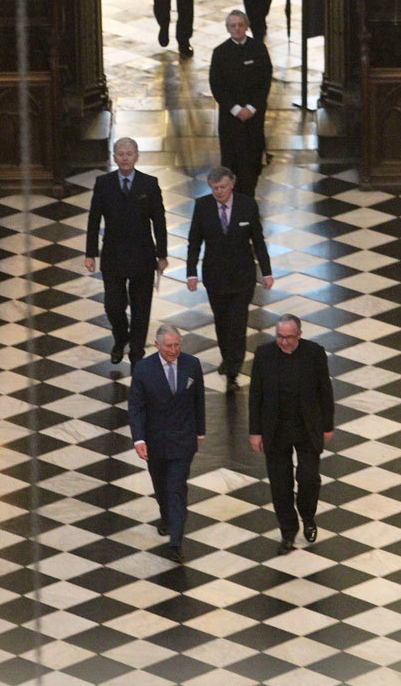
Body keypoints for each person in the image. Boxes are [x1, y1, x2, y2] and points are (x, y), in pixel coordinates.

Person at [248, 315, 334, 555]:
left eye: (288, 337)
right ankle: (288, 531)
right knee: (280, 484)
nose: (283, 342)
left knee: (308, 478)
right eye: (279, 337)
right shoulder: (264, 354)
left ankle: (308, 516)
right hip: (275, 429)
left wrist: (328, 425)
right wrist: (255, 431)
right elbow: (255, 395)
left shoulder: (314, 353)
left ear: (299, 335)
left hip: (307, 428)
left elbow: (325, 391)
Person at [186, 166, 272, 390]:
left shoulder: (247, 205)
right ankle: (227, 358)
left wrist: (267, 272)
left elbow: (259, 241)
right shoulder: (202, 206)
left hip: (242, 277)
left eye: (222, 187)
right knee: (222, 323)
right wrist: (191, 272)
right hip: (215, 278)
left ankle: (233, 370)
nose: (219, 192)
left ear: (231, 184)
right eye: (214, 188)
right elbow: (194, 241)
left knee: (238, 323)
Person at [85, 138, 169, 366]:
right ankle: (121, 337)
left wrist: (162, 255)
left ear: (136, 156)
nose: (124, 158)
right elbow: (94, 219)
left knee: (142, 307)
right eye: (120, 154)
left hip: (142, 256)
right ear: (114, 157)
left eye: (129, 154)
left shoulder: (149, 184)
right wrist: (90, 253)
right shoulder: (104, 183)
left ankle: (137, 352)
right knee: (113, 305)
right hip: (113, 256)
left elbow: (159, 221)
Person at [129, 324, 205, 563]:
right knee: (161, 484)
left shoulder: (192, 364)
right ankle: (165, 515)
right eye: (169, 346)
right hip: (155, 441)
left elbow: (199, 400)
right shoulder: (143, 369)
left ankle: (175, 541)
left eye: (177, 345)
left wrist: (200, 432)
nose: (174, 350)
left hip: (183, 439)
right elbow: (136, 407)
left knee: (176, 487)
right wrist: (139, 439)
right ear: (157, 345)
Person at [209, 10, 272, 198]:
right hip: (231, 119)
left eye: (240, 25)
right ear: (228, 29)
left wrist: (252, 108)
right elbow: (216, 86)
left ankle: (249, 198)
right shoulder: (220, 53)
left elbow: (265, 81)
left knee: (253, 159)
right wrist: (236, 109)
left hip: (254, 117)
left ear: (246, 27)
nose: (237, 29)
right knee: (231, 160)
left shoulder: (259, 49)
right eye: (233, 25)